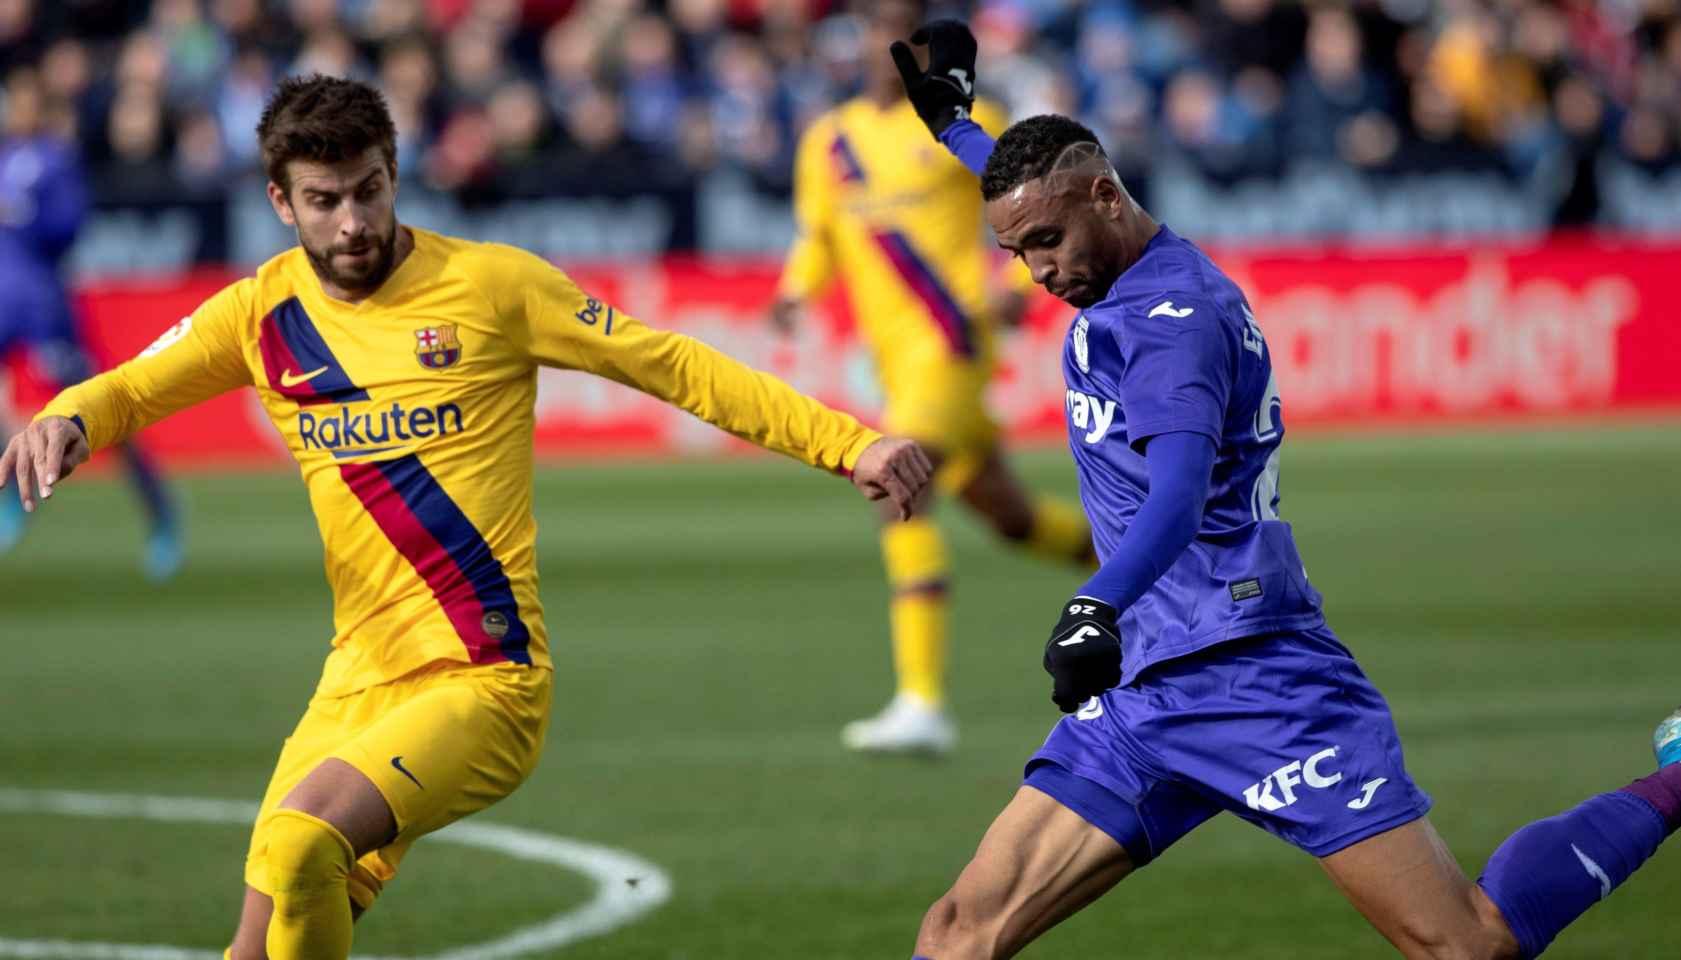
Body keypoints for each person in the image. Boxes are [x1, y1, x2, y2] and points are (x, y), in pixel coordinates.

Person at [0, 74, 933, 959]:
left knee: (297, 846)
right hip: (355, 681)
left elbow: (676, 366)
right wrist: (68, 416)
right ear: (282, 204)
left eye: (370, 190)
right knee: (259, 937)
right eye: (324, 200)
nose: (354, 222)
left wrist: (848, 443)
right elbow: (127, 389)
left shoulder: (493, 287)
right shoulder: (260, 314)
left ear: (397, 172)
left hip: (485, 678)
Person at [889, 22, 1681, 959]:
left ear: (1108, 199)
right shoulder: (1098, 244)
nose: (1036, 272)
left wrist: (1095, 603)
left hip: (1253, 677)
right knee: (959, 933)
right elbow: (1034, 182)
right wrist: (955, 124)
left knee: (1468, 945)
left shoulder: (1171, 325)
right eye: (1017, 253)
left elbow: (1180, 493)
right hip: (1145, 689)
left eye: (1044, 245)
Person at [772, 0, 1094, 756]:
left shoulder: (972, 116)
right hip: (895, 362)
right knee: (1010, 518)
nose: (890, 43)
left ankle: (922, 701)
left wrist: (1018, 292)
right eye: (878, 27)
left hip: (950, 345)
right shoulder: (830, 139)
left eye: (906, 26)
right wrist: (795, 289)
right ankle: (1153, 570)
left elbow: (1038, 204)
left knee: (895, 481)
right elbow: (819, 235)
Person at [0, 64, 180, 575]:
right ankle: (14, 494)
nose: (18, 109)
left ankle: (159, 509)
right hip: (3, 300)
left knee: (94, 411)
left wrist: (21, 215)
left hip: (41, 303)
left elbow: (70, 225)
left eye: (25, 99)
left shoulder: (56, 159)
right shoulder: (5, 156)